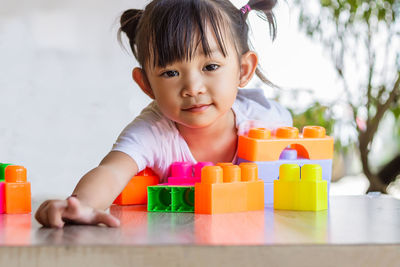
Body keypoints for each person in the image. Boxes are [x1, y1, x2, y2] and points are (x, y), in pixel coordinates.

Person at [35, 0, 292, 228]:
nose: (192, 88)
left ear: (243, 70)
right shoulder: (153, 131)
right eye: (170, 73)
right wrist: (82, 205)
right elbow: (112, 171)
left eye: (210, 66)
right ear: (146, 84)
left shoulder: (267, 121)